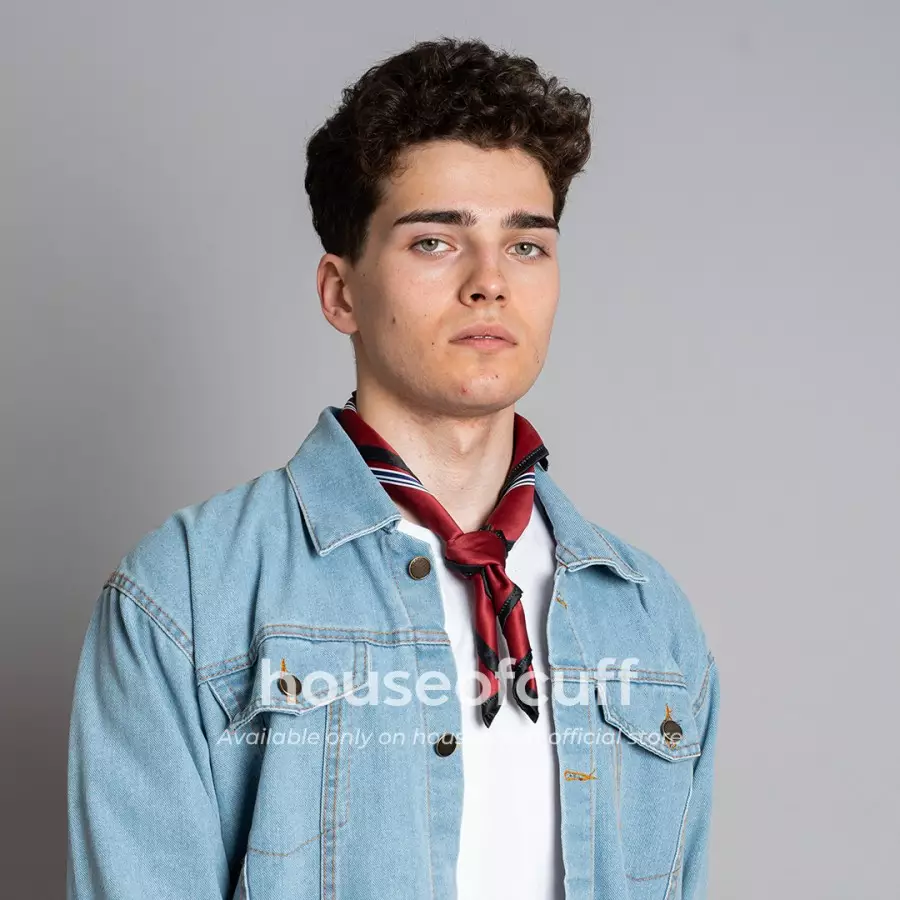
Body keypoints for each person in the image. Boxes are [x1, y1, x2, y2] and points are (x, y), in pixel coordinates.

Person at [67, 36, 720, 900]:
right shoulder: (185, 596)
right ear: (341, 292)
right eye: (435, 242)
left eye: (526, 246)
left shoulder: (649, 621)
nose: (490, 282)